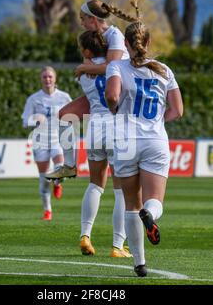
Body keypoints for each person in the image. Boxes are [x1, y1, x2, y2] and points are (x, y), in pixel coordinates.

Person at [105, 0, 184, 277]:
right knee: (154, 202)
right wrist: (156, 121)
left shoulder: (117, 66)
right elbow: (178, 110)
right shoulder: (164, 70)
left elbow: (112, 95)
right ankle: (151, 215)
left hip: (125, 141)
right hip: (155, 140)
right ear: (148, 43)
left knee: (130, 203)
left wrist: (115, 109)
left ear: (126, 44)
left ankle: (139, 262)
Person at [46, 0, 134, 180]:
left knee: (114, 179)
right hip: (103, 94)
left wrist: (85, 68)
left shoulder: (114, 35)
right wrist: (88, 64)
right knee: (65, 115)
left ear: (93, 19)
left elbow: (113, 66)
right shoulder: (95, 37)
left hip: (119, 96)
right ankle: (69, 166)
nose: (81, 22)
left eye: (82, 18)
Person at [76, 30, 132, 258]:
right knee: (121, 191)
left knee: (95, 185)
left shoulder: (82, 74)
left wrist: (86, 62)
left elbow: (89, 66)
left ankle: (85, 234)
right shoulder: (119, 67)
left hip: (95, 126)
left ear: (88, 51)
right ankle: (118, 246)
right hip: (117, 126)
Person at [21, 66, 72, 221]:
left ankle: (57, 182)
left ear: (55, 78)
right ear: (41, 79)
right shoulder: (34, 99)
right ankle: (47, 211)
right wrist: (34, 118)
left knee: (60, 168)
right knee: (44, 179)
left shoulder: (64, 97)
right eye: (44, 77)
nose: (47, 79)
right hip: (40, 142)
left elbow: (73, 115)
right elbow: (24, 121)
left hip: (58, 139)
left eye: (50, 76)